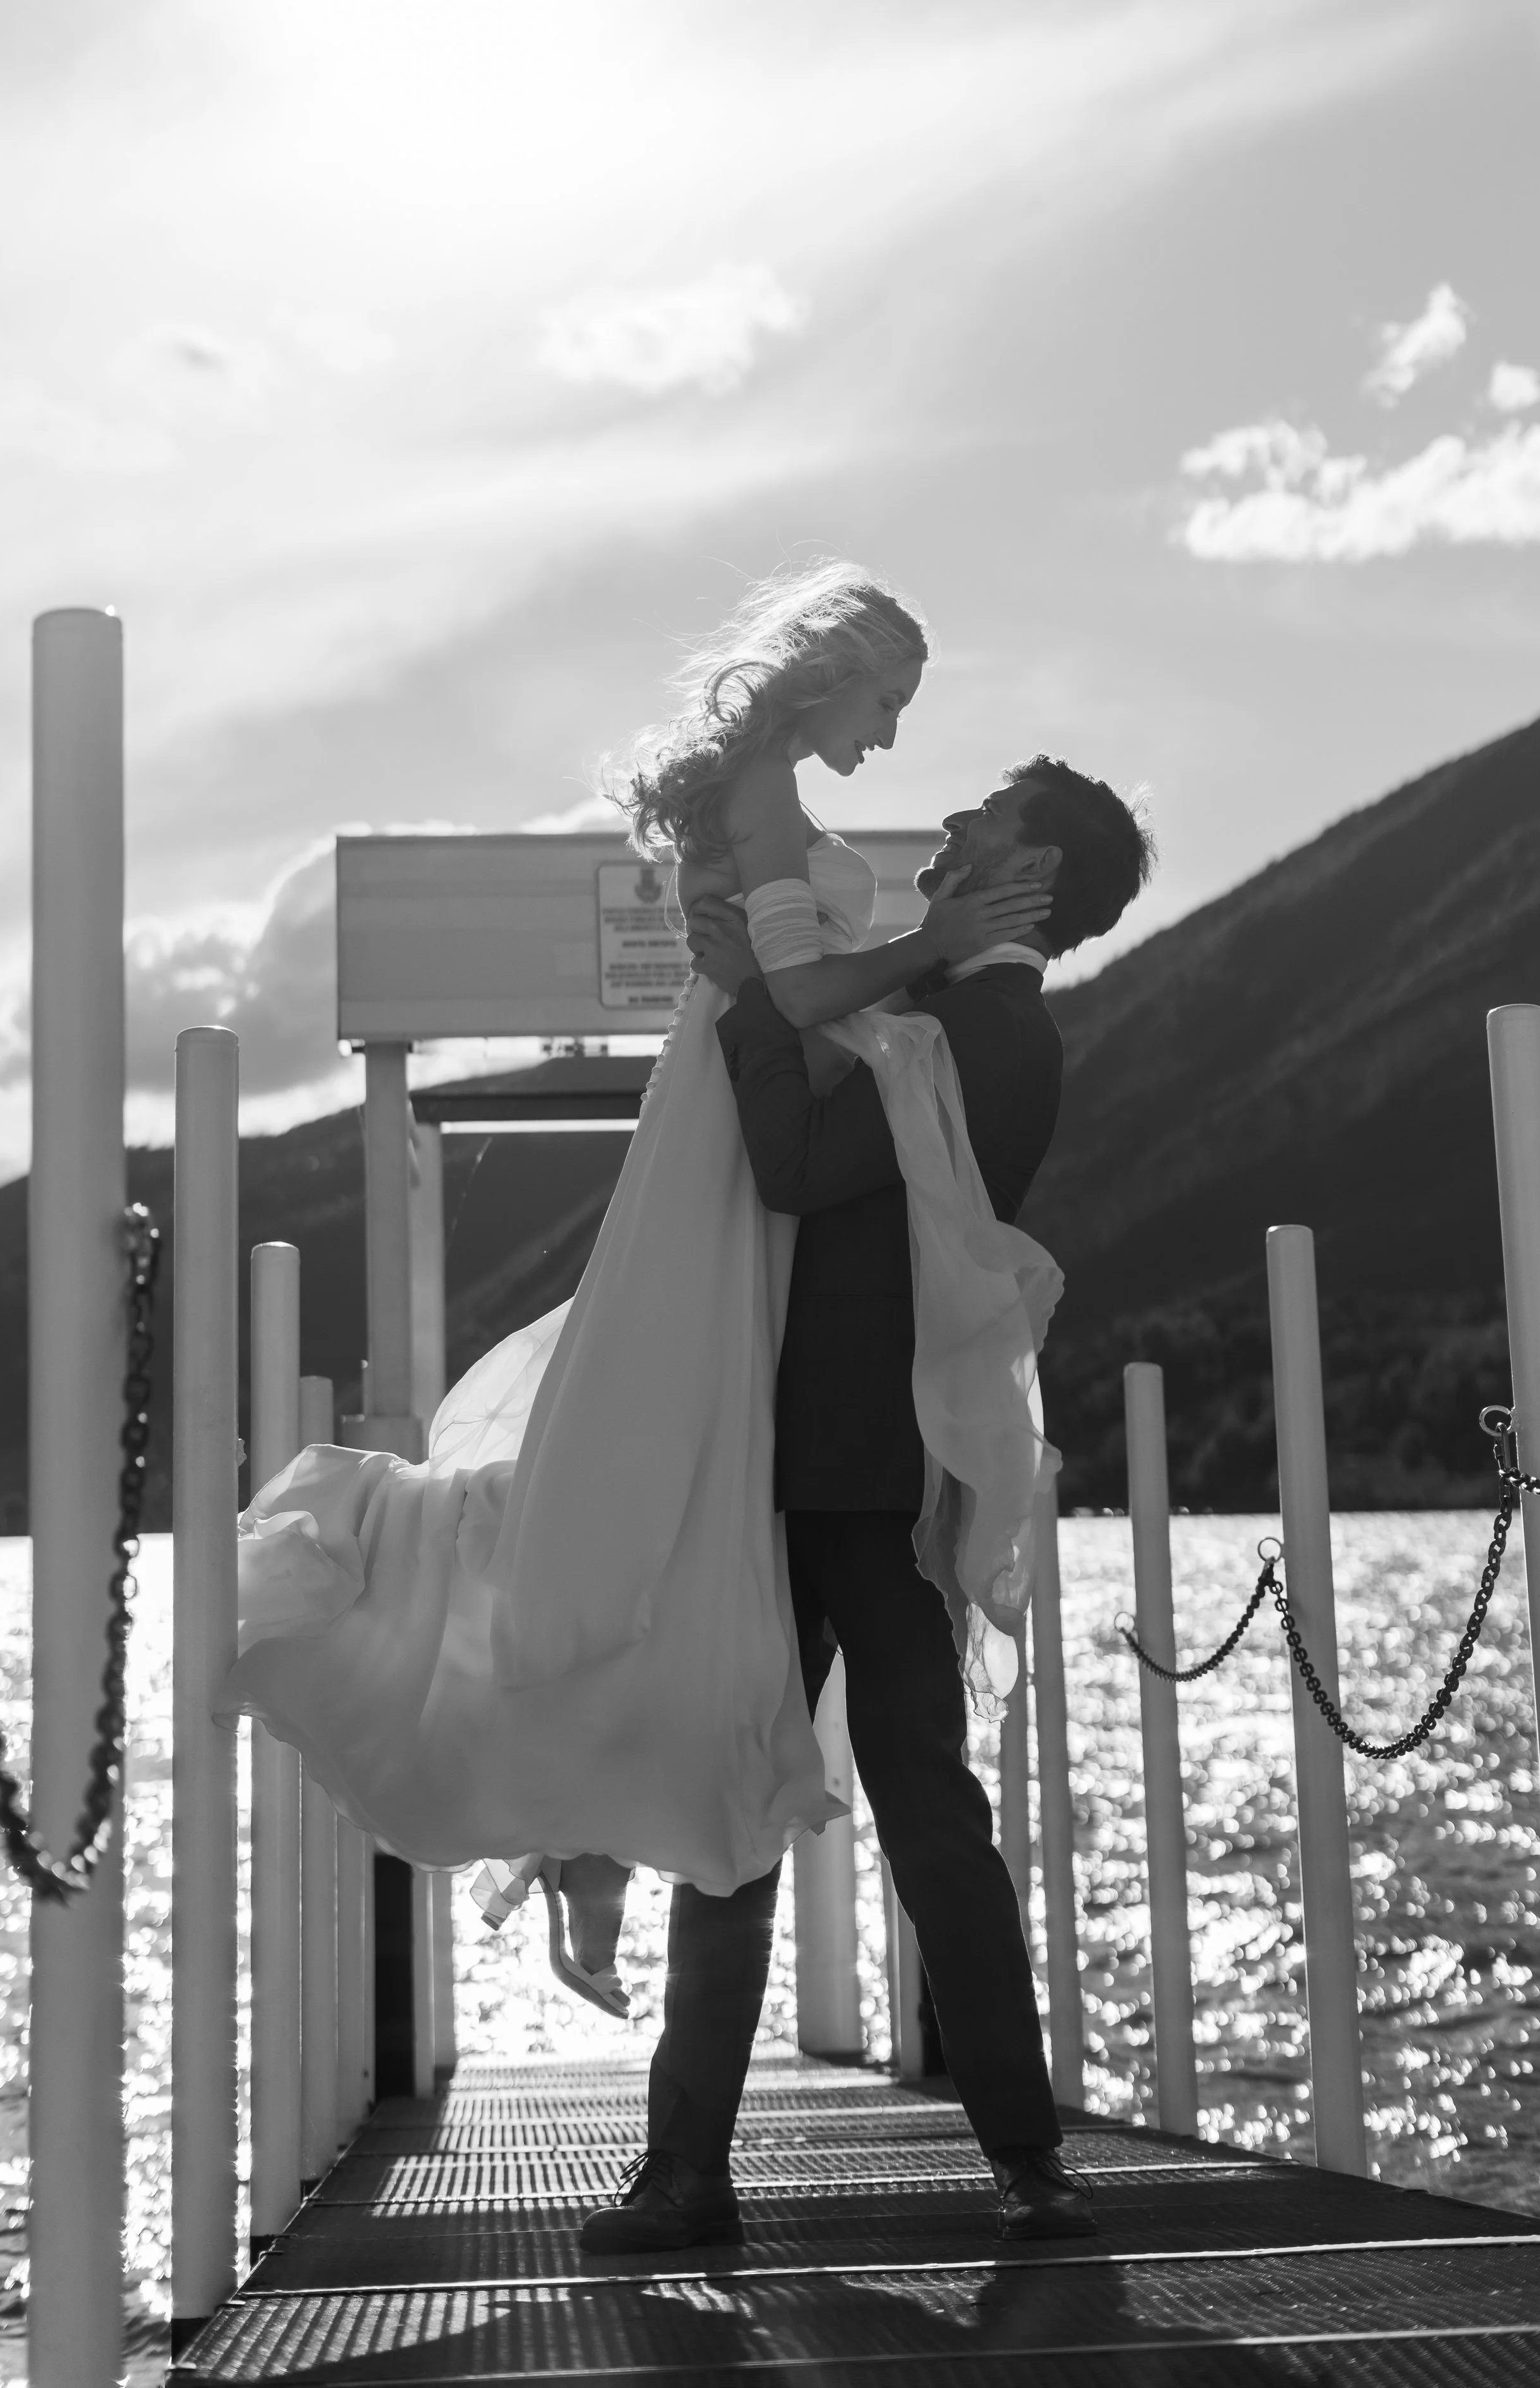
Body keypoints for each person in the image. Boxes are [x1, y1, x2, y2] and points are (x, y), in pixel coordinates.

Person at [225, 562, 1052, 2014]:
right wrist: (928, 949)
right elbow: (791, 996)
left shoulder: (766, 791)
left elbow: (799, 993)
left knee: (682, 1482)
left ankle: (593, 1852)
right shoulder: (762, 794)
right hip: (733, 1128)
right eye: (887, 700)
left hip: (739, 1108)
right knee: (660, 1458)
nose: (889, 734)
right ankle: (585, 1840)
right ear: (834, 671)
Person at [578, 755, 1155, 2250]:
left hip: (855, 1475)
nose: (950, 826)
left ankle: (742, 2170)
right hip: (833, 1465)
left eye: (985, 819)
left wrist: (743, 1006)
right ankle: (985, 2160)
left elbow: (795, 1166)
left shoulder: (985, 1033)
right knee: (830, 1800)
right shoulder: (949, 1015)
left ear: (1030, 877)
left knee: (862, 1806)